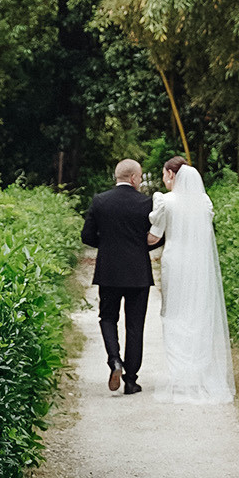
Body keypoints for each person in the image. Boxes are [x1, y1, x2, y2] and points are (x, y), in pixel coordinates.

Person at [147, 156, 235, 404]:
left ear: (171, 175)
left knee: (174, 313)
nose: (164, 179)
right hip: (199, 263)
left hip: (175, 262)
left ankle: (179, 375)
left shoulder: (165, 201)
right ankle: (197, 373)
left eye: (165, 174)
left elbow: (154, 237)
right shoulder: (204, 202)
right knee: (197, 313)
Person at [81, 158, 158, 393]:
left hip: (109, 271)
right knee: (135, 325)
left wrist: (106, 245)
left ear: (118, 177)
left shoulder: (100, 201)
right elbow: (156, 237)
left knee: (107, 318)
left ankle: (114, 360)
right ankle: (131, 380)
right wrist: (141, 246)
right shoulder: (146, 203)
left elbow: (87, 236)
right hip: (138, 273)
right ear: (134, 178)